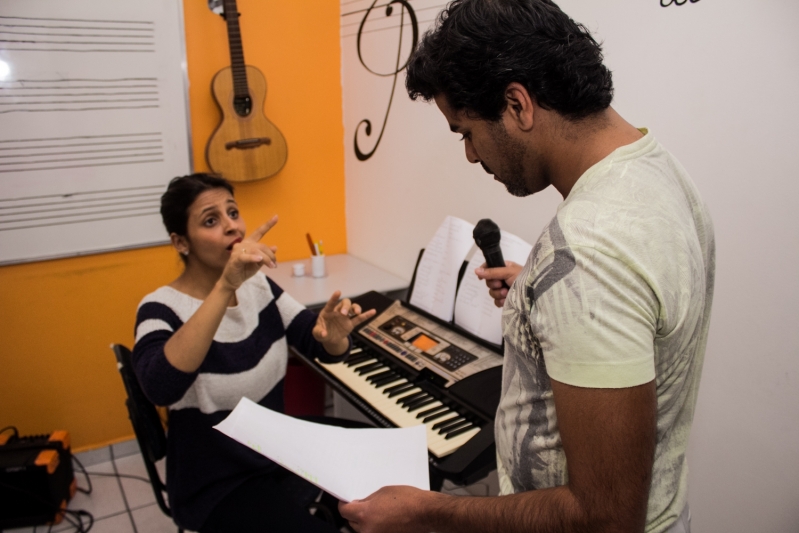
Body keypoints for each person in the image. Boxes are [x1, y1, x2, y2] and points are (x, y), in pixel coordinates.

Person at [339, 1, 714, 532]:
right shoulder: (656, 169)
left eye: (464, 131)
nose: (469, 154)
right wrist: (546, 295)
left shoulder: (589, 253)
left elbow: (605, 518)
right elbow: (638, 298)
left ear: (517, 104)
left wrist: (426, 511)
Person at [132, 173, 375, 532]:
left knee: (388, 467)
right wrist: (226, 285)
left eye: (233, 213)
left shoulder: (258, 286)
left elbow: (319, 344)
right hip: (215, 481)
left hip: (275, 449)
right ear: (180, 242)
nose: (232, 226)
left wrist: (334, 337)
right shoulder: (158, 308)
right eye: (211, 220)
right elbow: (161, 387)